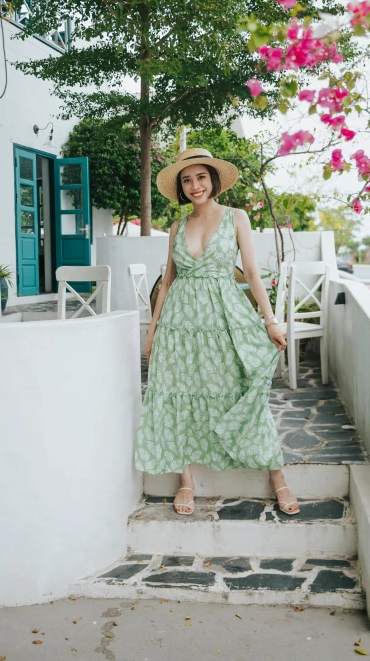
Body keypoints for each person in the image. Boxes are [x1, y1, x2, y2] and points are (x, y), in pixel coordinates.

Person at [134, 148, 299, 516]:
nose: (195, 185)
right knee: (179, 393)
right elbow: (169, 279)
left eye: (201, 177)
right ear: (180, 186)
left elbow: (253, 273)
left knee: (242, 385)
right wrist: (152, 330)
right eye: (187, 180)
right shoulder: (178, 226)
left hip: (224, 317)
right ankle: (186, 481)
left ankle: (277, 475)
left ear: (213, 180)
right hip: (180, 322)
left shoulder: (235, 217)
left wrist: (270, 320)